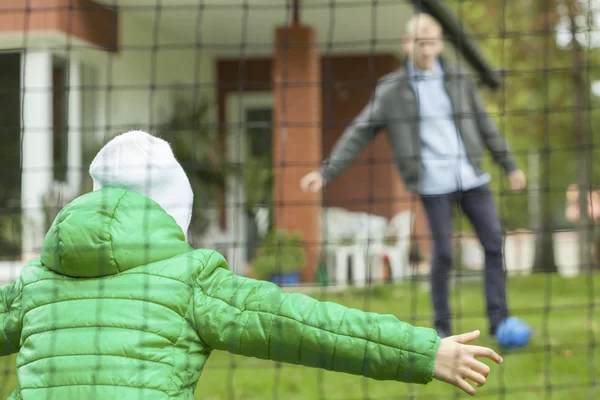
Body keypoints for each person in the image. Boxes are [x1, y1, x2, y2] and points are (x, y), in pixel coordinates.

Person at [0, 130, 502, 399]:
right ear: (175, 213)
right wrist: (421, 350)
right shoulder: (191, 280)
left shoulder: (34, 283)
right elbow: (302, 325)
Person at [300, 13, 526, 339]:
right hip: (433, 184)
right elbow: (359, 131)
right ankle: (442, 327)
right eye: (420, 42)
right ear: (408, 43)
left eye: (432, 42)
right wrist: (327, 172)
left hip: (471, 177)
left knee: (494, 244)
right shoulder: (392, 90)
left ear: (440, 43)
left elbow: (484, 124)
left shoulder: (458, 78)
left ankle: (499, 321)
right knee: (444, 254)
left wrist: (510, 165)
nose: (427, 49)